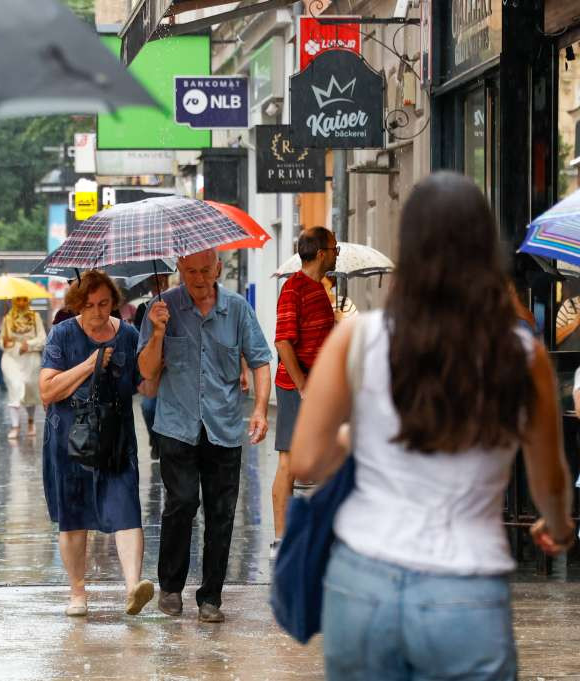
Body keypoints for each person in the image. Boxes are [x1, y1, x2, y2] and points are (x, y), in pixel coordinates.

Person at [290, 172, 574, 680]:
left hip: (363, 585)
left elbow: (307, 459)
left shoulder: (358, 338)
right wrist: (558, 526)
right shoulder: (520, 355)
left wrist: (359, 438)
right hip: (465, 592)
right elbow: (548, 478)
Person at [138, 249, 272, 623]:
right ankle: (170, 587)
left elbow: (260, 361)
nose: (198, 279)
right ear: (179, 269)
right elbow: (146, 371)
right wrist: (158, 333)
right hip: (176, 425)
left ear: (218, 269)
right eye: (190, 271)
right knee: (181, 503)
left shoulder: (237, 309)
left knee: (221, 513)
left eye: (205, 271)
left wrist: (260, 409)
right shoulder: (161, 307)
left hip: (223, 427)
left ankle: (211, 596)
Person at [39, 270, 155, 617]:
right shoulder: (62, 334)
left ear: (113, 303)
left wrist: (159, 336)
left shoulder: (129, 335)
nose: (97, 312)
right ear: (78, 305)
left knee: (126, 508)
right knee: (74, 519)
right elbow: (47, 391)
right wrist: (90, 365)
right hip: (69, 439)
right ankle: (77, 592)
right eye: (89, 305)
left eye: (104, 304)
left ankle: (133, 588)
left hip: (116, 437)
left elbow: (147, 385)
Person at [270, 227, 338, 559]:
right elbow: (283, 341)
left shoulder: (319, 289)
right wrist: (303, 385)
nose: (337, 254)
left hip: (318, 387)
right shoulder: (293, 289)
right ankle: (281, 540)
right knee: (288, 462)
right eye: (335, 248)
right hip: (296, 387)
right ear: (321, 253)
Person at [133, 273, 171, 462]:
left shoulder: (176, 305)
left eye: (163, 282)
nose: (159, 286)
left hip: (172, 368)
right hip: (152, 370)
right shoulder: (143, 309)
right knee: (148, 407)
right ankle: (155, 441)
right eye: (155, 283)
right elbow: (139, 343)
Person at [0, 296, 46, 439]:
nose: (20, 303)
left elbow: (43, 338)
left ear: (28, 301)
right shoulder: (7, 318)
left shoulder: (35, 317)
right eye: (17, 300)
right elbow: (1, 341)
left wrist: (30, 344)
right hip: (11, 359)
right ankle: (15, 426)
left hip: (31, 359)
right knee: (14, 386)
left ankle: (31, 422)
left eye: (24, 300)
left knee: (29, 389)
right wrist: (6, 344)